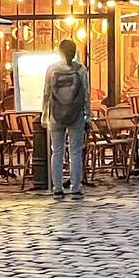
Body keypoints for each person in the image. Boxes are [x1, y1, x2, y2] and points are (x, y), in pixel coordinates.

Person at [40, 39, 91, 200]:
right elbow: (86, 94)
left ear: (59, 52)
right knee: (75, 152)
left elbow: (47, 94)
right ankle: (76, 188)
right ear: (75, 52)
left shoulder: (52, 69)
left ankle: (57, 189)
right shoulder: (81, 70)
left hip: (56, 114)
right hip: (76, 114)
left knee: (57, 151)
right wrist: (88, 115)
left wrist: (44, 115)